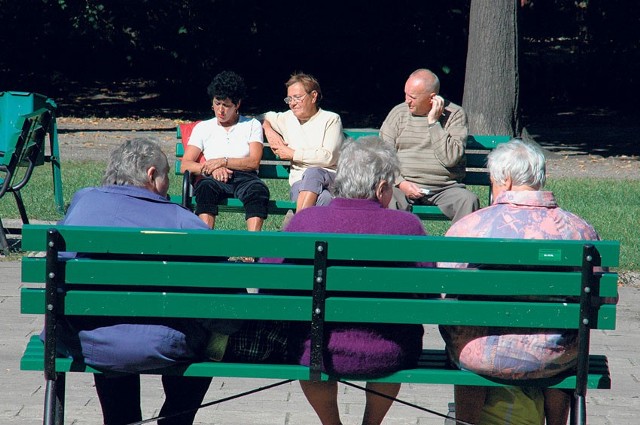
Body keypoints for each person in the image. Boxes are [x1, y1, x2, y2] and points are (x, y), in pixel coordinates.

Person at [47, 138, 214, 425]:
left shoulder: (84, 202)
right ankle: (176, 419)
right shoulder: (183, 221)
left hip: (86, 340)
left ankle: (120, 419)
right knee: (208, 336)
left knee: (106, 326)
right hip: (162, 345)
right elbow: (224, 295)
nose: (167, 189)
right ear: (151, 175)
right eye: (165, 180)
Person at [263, 137, 426, 425]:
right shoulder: (407, 226)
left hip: (317, 350)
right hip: (390, 351)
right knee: (402, 333)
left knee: (309, 343)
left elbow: (269, 285)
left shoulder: (306, 221)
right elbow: (427, 293)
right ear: (381, 188)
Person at [438, 139, 602, 425]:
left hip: (480, 352)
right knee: (561, 350)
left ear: (508, 180)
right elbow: (603, 300)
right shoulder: (580, 231)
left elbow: (444, 294)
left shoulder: (470, 228)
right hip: (555, 355)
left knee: (465, 343)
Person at [380, 68, 479, 223]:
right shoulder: (398, 113)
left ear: (432, 98)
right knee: (389, 198)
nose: (407, 100)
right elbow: (383, 156)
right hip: (403, 186)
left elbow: (450, 158)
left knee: (468, 201)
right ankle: (397, 246)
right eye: (406, 94)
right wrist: (401, 183)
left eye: (412, 97)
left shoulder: (455, 114)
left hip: (444, 189)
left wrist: (433, 123)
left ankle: (459, 248)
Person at [181, 70, 269, 231]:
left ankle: (251, 246)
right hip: (213, 177)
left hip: (245, 177)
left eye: (226, 105)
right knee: (204, 189)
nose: (221, 110)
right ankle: (206, 244)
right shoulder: (203, 127)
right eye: (217, 103)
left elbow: (254, 162)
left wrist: (223, 161)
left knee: (258, 191)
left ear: (237, 105)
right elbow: (185, 164)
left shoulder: (251, 125)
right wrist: (211, 168)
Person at [263, 72, 344, 213]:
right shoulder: (287, 118)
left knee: (313, 172)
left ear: (313, 96)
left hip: (330, 179)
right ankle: (307, 232)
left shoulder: (331, 119)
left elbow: (328, 157)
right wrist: (268, 130)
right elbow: (259, 118)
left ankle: (296, 228)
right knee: (324, 199)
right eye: (289, 99)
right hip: (300, 183)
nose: (292, 103)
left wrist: (293, 154)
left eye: (297, 98)